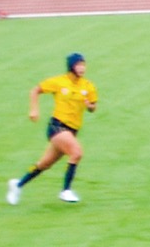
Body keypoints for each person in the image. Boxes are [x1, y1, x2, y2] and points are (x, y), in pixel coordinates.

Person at [7, 53, 98, 204]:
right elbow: (35, 90)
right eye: (78, 65)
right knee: (76, 152)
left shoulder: (88, 86)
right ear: (71, 66)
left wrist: (90, 106)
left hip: (72, 131)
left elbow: (93, 107)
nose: (82, 68)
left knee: (44, 164)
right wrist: (34, 110)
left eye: (83, 65)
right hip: (58, 127)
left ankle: (17, 185)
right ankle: (66, 190)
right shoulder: (59, 82)